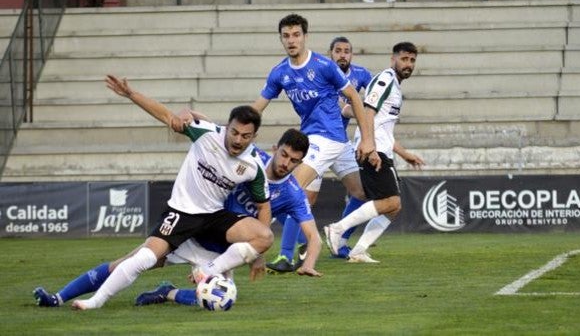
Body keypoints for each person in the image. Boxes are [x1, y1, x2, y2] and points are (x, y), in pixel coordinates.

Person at [33, 75, 273, 309]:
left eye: (245, 136)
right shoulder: (207, 133)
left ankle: (197, 276)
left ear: (254, 137)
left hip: (213, 219)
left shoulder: (253, 165)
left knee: (260, 242)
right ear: (226, 127)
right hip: (182, 214)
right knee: (139, 260)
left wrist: (257, 255)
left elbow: (263, 207)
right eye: (234, 132)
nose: (238, 140)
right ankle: (71, 299)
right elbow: (166, 115)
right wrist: (130, 94)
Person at [134, 128, 324, 307]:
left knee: (221, 297)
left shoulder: (293, 194)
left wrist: (308, 264)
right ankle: (104, 284)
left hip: (224, 248)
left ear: (300, 163)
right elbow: (218, 132)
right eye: (284, 155)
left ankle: (167, 292)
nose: (286, 163)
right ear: (276, 148)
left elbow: (314, 237)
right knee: (139, 261)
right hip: (196, 226)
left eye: (293, 160)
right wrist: (191, 117)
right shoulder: (251, 159)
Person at [269, 36, 373, 268]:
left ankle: (339, 237)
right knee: (303, 196)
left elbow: (374, 97)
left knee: (363, 192)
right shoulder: (323, 71)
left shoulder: (361, 75)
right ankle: (287, 252)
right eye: (338, 51)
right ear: (331, 53)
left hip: (341, 143)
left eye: (347, 51)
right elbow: (342, 107)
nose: (342, 55)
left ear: (352, 55)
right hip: (318, 141)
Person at [325, 42, 421, 263]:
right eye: (404, 59)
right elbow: (369, 110)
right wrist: (369, 145)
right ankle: (337, 229)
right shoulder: (385, 79)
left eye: (412, 60)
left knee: (393, 207)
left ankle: (358, 250)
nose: (408, 64)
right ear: (393, 59)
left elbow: (367, 113)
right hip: (373, 149)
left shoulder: (395, 85)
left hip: (381, 148)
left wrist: (404, 153)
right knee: (390, 202)